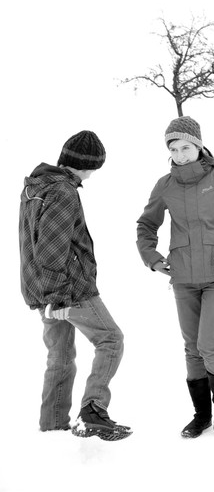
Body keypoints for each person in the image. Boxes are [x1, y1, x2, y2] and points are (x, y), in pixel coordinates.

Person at [137, 116, 214, 437]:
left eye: (185, 148)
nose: (180, 155)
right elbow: (146, 225)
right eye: (174, 149)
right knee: (191, 347)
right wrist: (152, 258)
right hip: (183, 277)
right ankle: (201, 414)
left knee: (208, 343)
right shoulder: (165, 185)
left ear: (199, 146)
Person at [20, 131, 131, 440]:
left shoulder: (36, 186)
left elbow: (33, 243)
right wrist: (57, 296)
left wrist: (46, 295)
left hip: (40, 286)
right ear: (87, 165)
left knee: (60, 356)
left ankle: (53, 427)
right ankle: (93, 409)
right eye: (93, 168)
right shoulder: (63, 191)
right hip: (68, 288)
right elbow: (52, 245)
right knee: (111, 339)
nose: (92, 174)